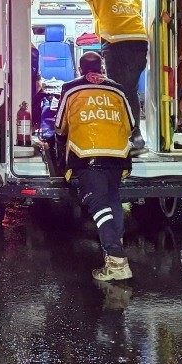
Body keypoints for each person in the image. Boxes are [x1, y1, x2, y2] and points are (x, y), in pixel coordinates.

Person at [38, 0, 149, 152]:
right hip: (139, 41)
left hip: (117, 40)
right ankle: (135, 134)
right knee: (130, 89)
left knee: (116, 90)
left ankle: (126, 136)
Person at [55, 50, 136, 282]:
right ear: (102, 68)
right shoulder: (117, 88)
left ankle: (116, 259)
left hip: (87, 155)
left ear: (80, 69)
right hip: (118, 155)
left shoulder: (71, 88)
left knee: (98, 204)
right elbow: (131, 124)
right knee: (112, 200)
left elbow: (60, 126)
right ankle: (114, 251)